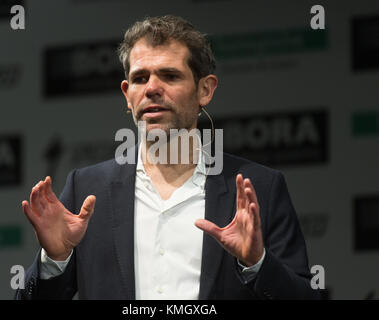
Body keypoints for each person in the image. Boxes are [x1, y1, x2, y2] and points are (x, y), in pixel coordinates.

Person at [16, 15, 320, 300]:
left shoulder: (261, 188)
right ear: (127, 94)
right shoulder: (86, 190)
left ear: (205, 90)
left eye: (170, 75)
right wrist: (55, 260)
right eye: (140, 78)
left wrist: (257, 264)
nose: (152, 89)